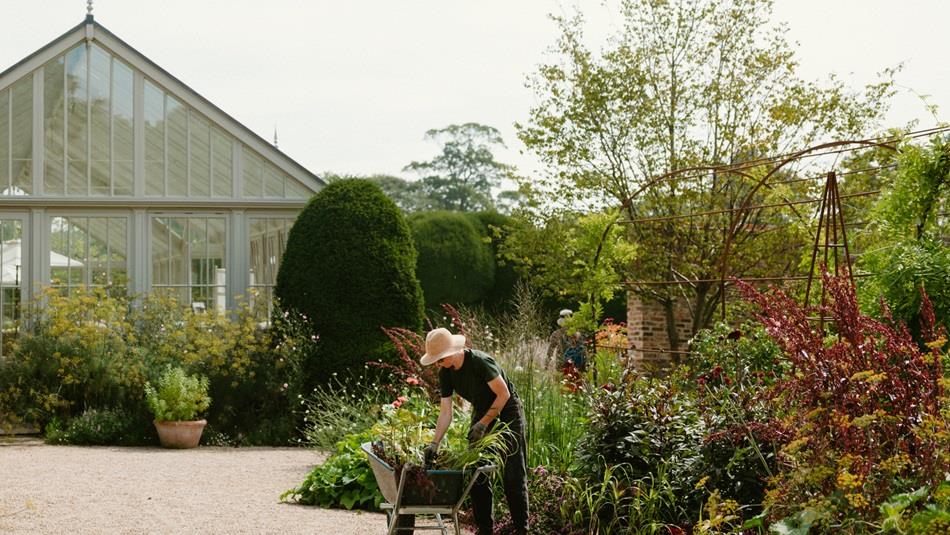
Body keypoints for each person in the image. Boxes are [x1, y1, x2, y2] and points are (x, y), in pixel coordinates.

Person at [420, 327, 528, 535]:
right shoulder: (446, 374)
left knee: (513, 472)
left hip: (507, 412)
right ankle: (485, 529)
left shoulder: (480, 362)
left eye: (439, 359)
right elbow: (445, 413)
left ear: (450, 352)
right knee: (476, 470)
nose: (437, 364)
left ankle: (522, 529)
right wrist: (434, 443)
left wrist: (483, 424)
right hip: (482, 411)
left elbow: (503, 394)